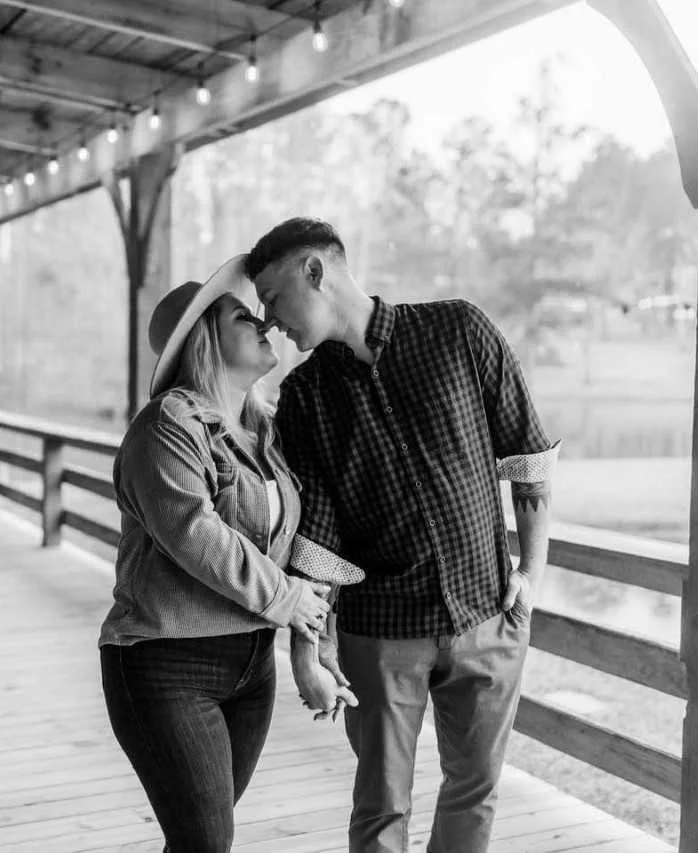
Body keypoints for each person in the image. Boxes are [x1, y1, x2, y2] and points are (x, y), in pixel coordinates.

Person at [246, 218, 559, 853]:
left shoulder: (459, 330)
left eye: (274, 299)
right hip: (381, 636)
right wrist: (306, 652)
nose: (270, 321)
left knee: (475, 791)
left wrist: (531, 574)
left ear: (315, 272)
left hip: (489, 617)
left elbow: (527, 457)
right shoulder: (303, 397)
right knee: (382, 806)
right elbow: (317, 541)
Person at [98, 254, 343, 853]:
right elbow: (194, 532)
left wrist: (311, 650)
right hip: (167, 665)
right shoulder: (167, 425)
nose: (263, 322)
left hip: (251, 668)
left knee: (197, 841)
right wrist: (287, 599)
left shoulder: (264, 434)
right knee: (205, 843)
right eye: (241, 316)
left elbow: (298, 544)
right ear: (204, 339)